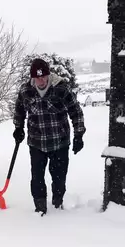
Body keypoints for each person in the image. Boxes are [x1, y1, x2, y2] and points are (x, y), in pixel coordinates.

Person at [12, 58, 85, 215]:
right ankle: (40, 209)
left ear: (48, 75)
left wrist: (79, 134)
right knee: (37, 177)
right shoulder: (26, 91)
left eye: (43, 76)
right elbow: (19, 109)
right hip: (36, 142)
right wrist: (18, 127)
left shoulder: (61, 89)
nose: (41, 80)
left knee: (59, 177)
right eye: (37, 77)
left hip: (60, 141)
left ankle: (57, 203)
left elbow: (75, 111)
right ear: (33, 78)